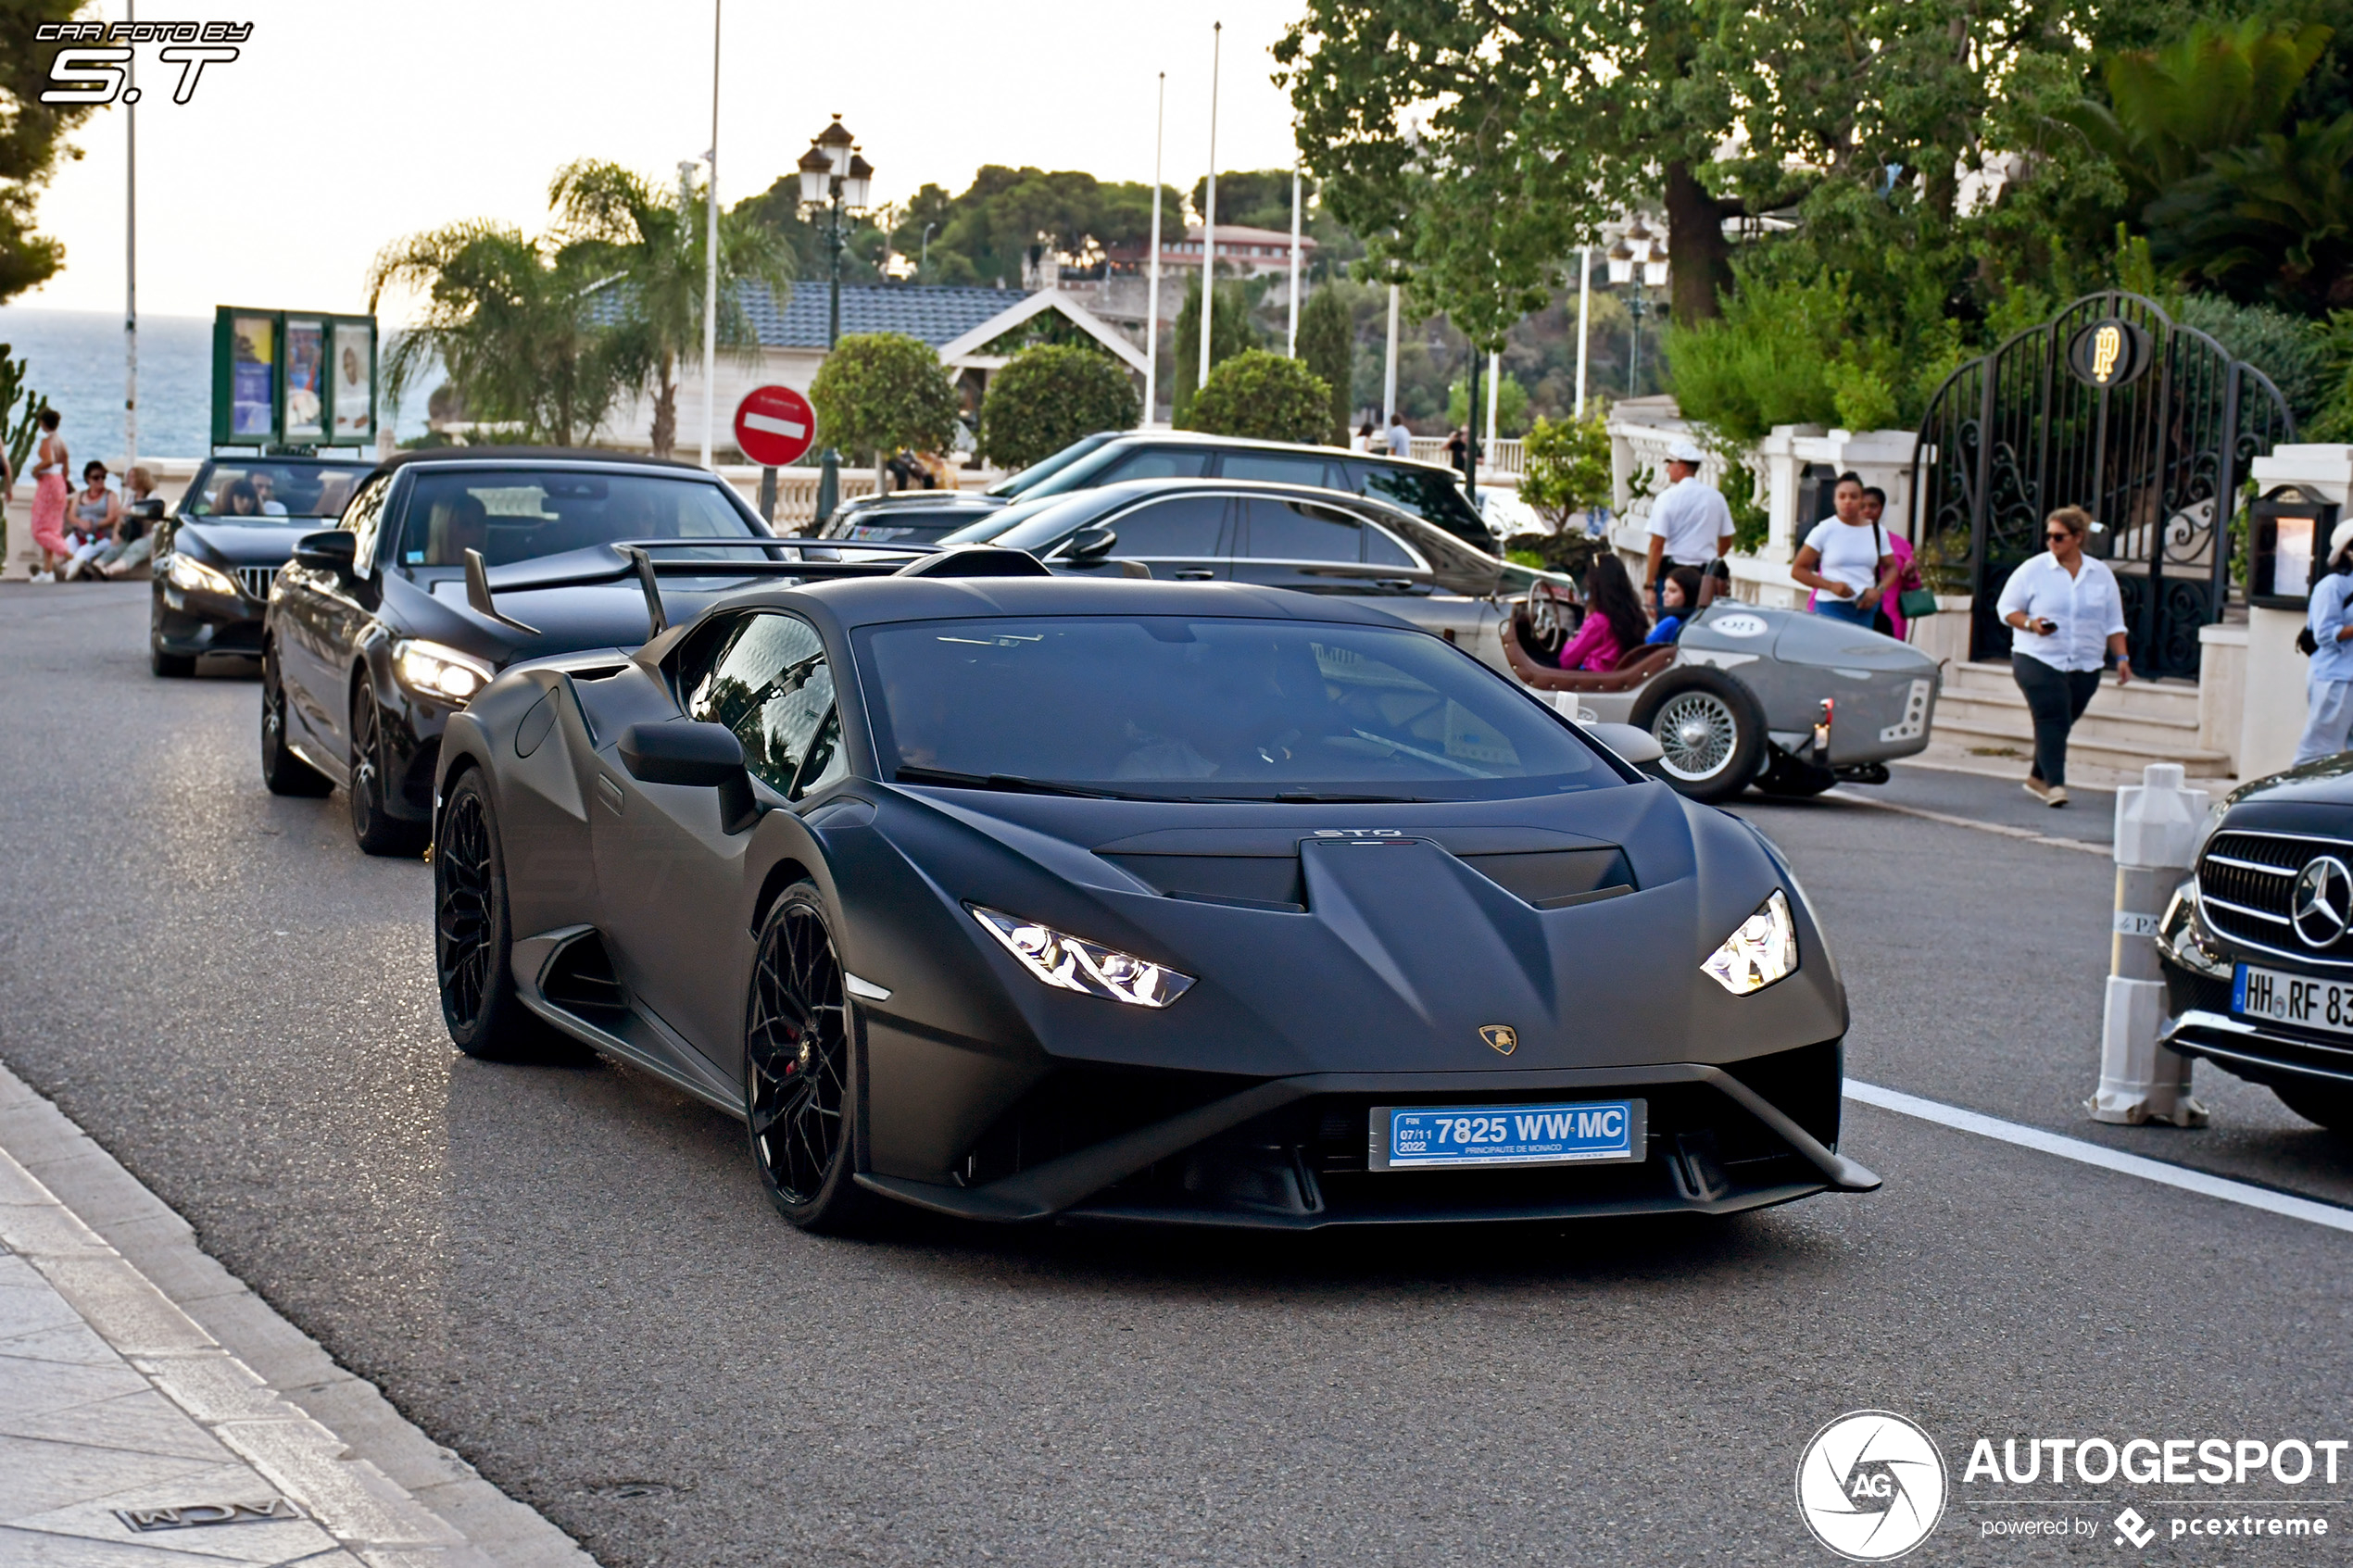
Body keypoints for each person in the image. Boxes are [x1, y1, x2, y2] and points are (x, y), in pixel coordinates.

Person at [1997, 506, 2131, 807]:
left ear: (2078, 537)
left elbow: (2114, 622)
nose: (2052, 543)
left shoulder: (2101, 575)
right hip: (2037, 656)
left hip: (2086, 662)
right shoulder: (2033, 570)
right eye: (2048, 537)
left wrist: (2121, 658)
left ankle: (2036, 777)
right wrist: (2032, 624)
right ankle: (2055, 786)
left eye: (2059, 537)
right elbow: (2006, 609)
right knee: (2052, 717)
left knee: (2062, 721)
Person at [1792, 472, 1898, 627]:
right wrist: (1830, 586)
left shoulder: (1877, 531)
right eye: (1842, 496)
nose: (1847, 501)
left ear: (1861, 499)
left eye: (1853, 497)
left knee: (1859, 651)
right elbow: (1798, 570)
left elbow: (1891, 568)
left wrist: (1878, 591)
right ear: (1834, 500)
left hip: (1865, 608)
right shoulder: (1825, 530)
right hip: (1831, 606)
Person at [1643, 438, 1735, 610]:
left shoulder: (1666, 498)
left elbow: (1656, 545)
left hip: (1673, 575)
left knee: (1670, 627)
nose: (1667, 469)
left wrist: (1649, 585)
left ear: (1681, 467)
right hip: (1705, 575)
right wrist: (1711, 556)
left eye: (1670, 463)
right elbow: (1727, 541)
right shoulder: (1716, 498)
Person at [2296, 520, 2353, 766]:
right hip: (2336, 679)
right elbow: (2325, 634)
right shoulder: (2332, 587)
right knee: (2319, 751)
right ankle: (2299, 799)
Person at [1555, 554, 1649, 671]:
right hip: (1617, 676)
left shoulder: (1598, 621)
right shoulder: (1633, 614)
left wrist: (1570, 641)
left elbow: (1567, 660)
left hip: (1595, 681)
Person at [26, 408, 69, 583]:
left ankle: (66, 552)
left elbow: (49, 460)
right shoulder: (61, 441)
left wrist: (35, 470)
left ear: (43, 423)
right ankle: (48, 570)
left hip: (48, 484)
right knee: (52, 526)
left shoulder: (47, 441)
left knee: (40, 529)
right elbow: (66, 464)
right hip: (59, 482)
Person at [64, 461, 120, 575]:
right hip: (80, 533)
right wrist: (80, 523)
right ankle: (61, 570)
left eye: (103, 477)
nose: (100, 480)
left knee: (82, 553)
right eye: (96, 477)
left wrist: (93, 524)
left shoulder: (110, 495)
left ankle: (68, 573)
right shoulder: (79, 495)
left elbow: (112, 517)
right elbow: (71, 515)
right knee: (63, 550)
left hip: (101, 536)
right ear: (88, 479)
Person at [1647, 565, 1704, 645]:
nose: (1664, 594)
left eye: (1672, 591)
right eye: (1665, 589)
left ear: (1689, 594)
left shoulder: (1671, 622)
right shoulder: (1698, 620)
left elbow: (1642, 649)